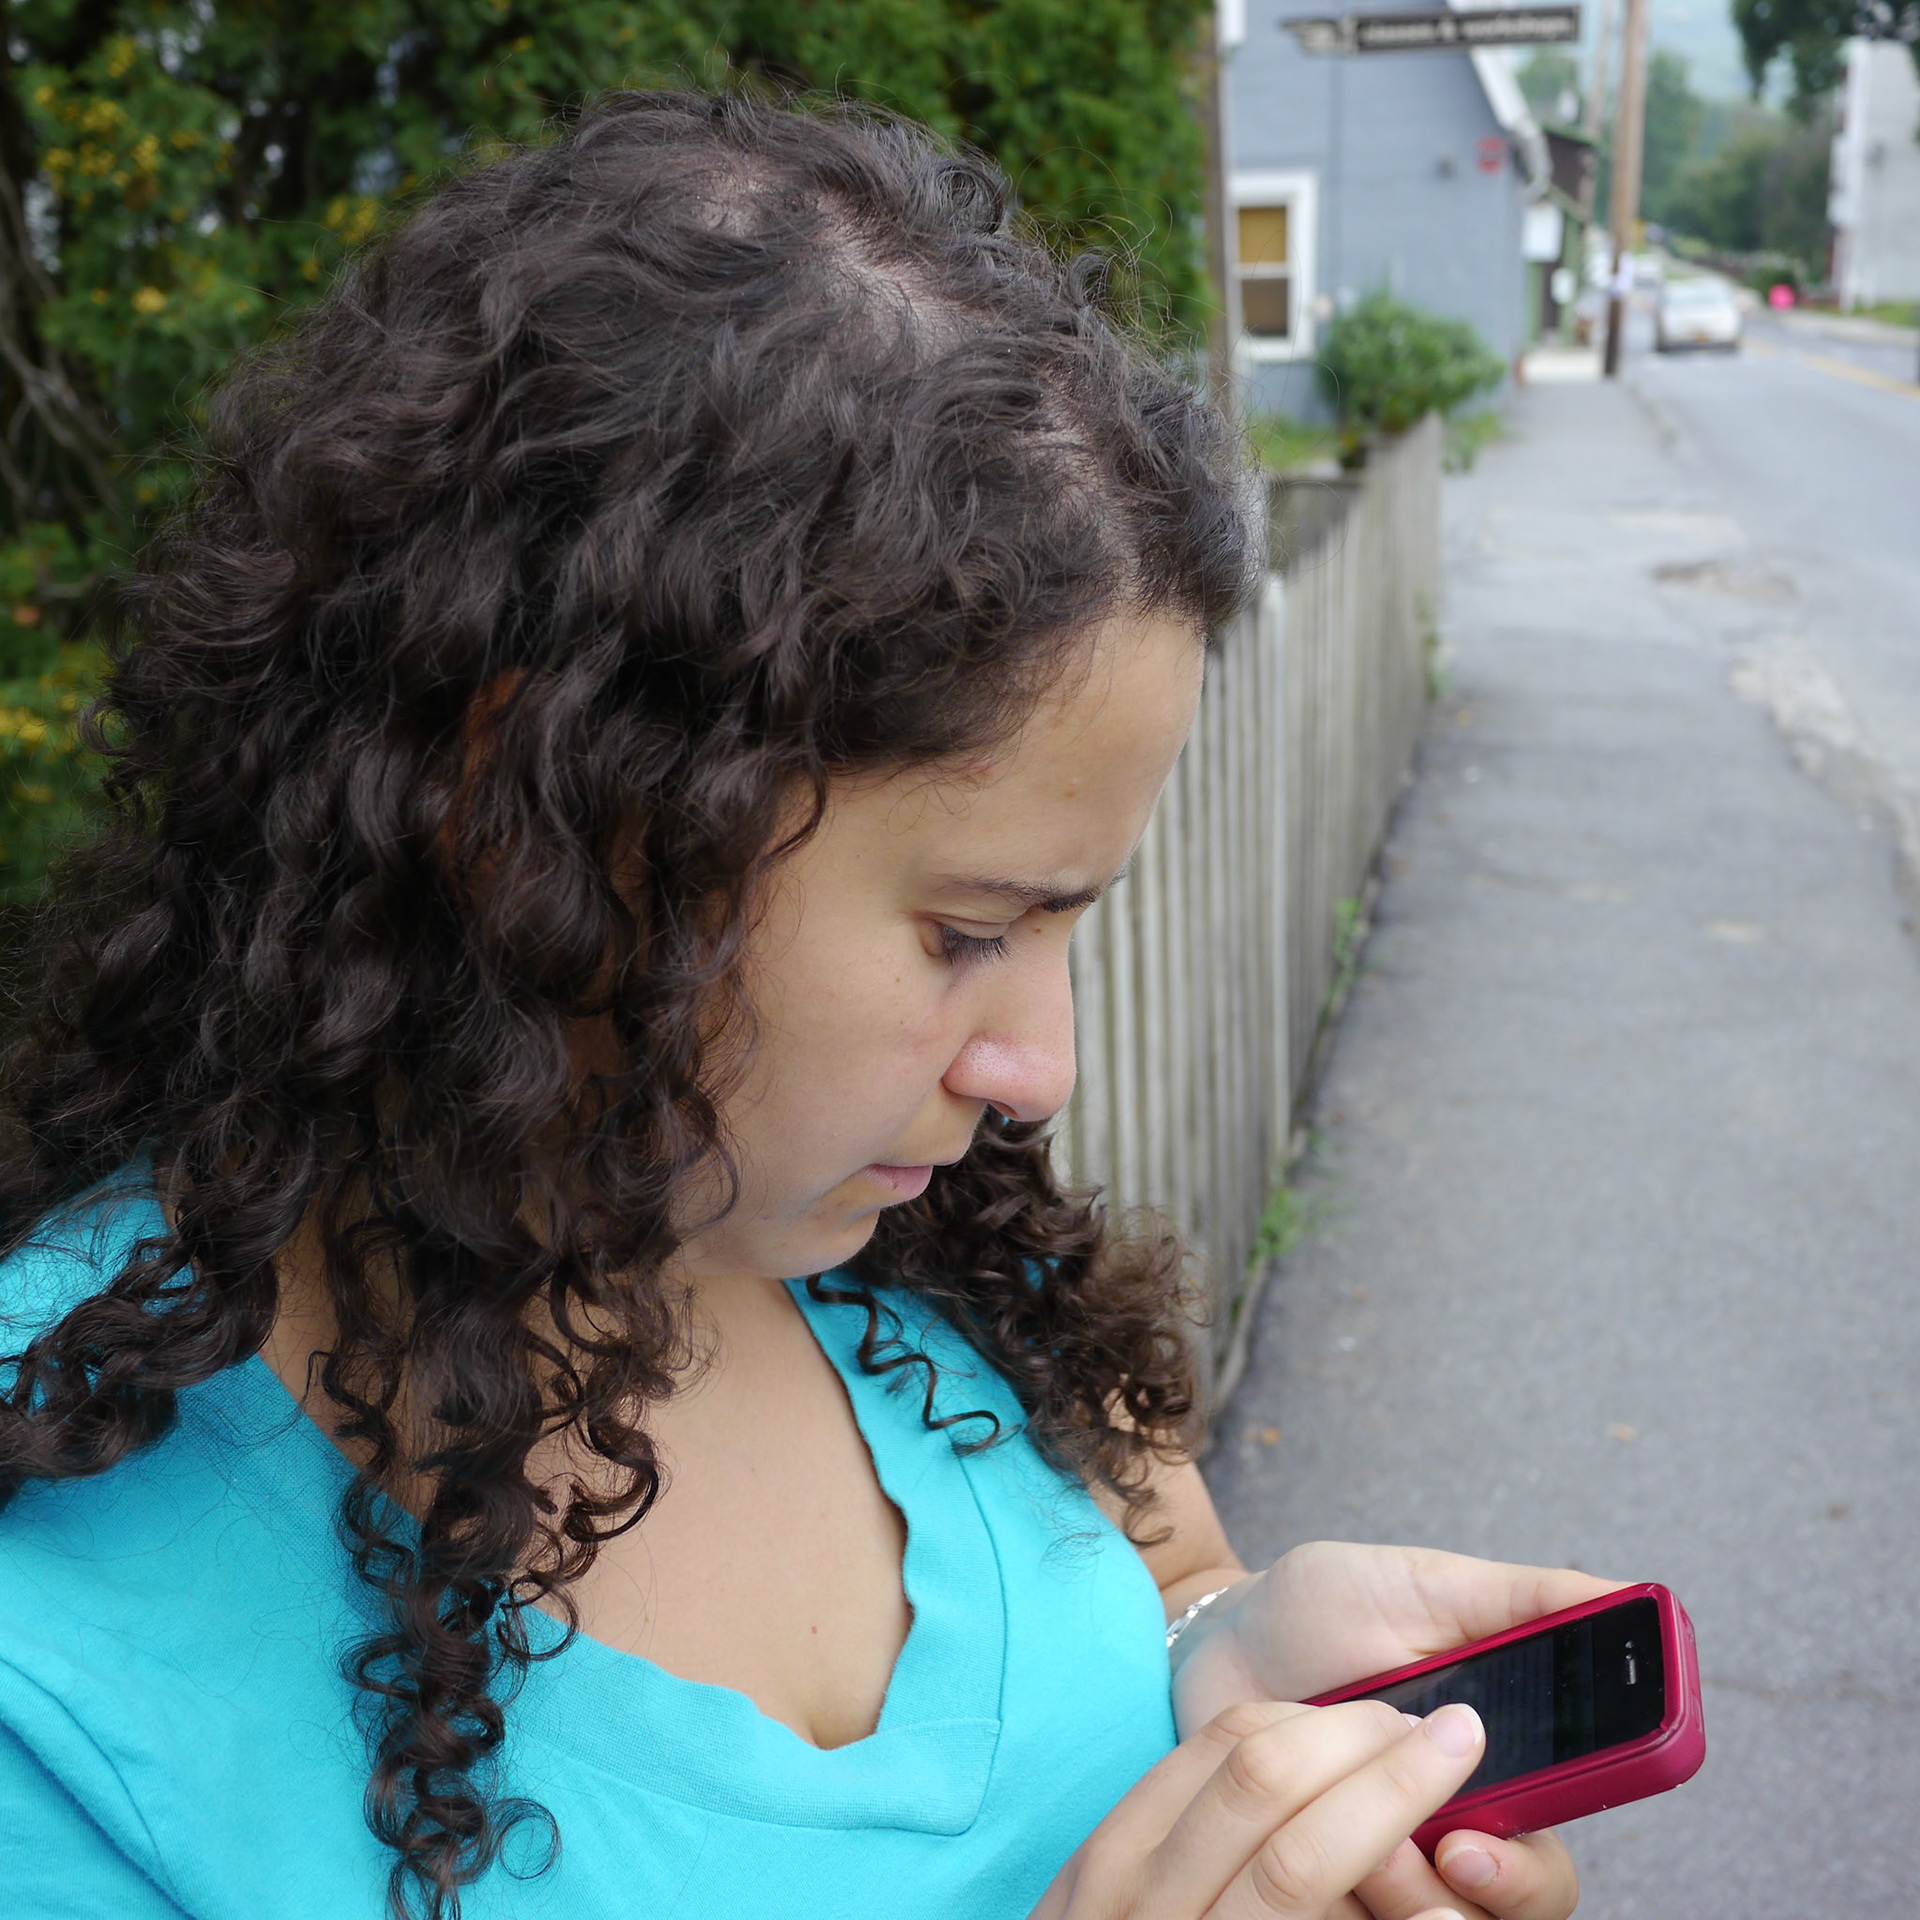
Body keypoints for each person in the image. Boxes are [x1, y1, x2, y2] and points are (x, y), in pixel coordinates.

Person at [0, 91, 1617, 1920]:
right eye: (964, 930)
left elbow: (1162, 1566)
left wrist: (1228, 1661)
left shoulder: (915, 1246)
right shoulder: (50, 1661)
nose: (1041, 1070)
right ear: (555, 810)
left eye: (1070, 924)